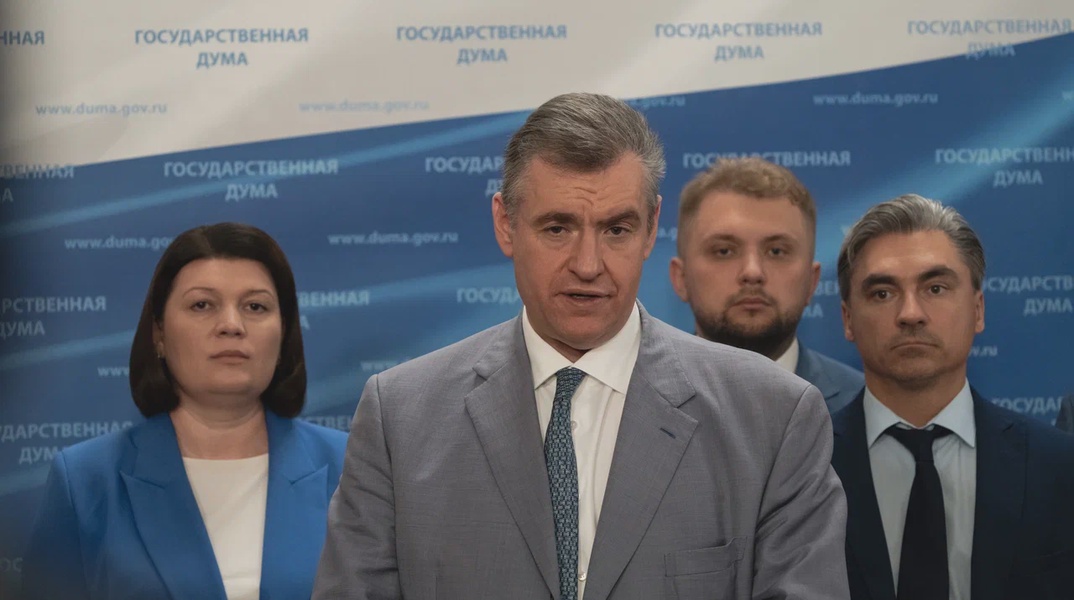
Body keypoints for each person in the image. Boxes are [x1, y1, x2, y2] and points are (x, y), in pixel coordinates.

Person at [313, 93, 849, 599]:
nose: (588, 265)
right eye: (557, 228)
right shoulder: (399, 418)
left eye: (616, 229)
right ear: (505, 224)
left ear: (651, 229)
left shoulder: (772, 418)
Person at [22, 223, 348, 600]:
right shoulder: (85, 481)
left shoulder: (352, 468)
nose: (231, 325)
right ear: (159, 334)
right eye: (202, 305)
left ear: (284, 333)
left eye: (255, 306)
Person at [831, 194, 1074, 600]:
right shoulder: (806, 467)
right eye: (882, 293)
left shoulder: (1059, 467)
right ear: (847, 319)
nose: (911, 313)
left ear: (978, 310)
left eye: (936, 288)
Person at [670, 157, 863, 412]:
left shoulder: (861, 407)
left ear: (812, 281)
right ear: (681, 278)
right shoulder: (636, 403)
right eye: (724, 251)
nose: (753, 272)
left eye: (776, 251)